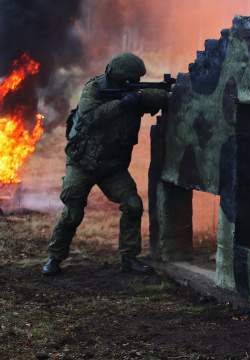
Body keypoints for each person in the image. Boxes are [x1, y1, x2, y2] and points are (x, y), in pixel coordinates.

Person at [42, 52, 168, 275]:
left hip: (112, 168)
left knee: (133, 205)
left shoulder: (133, 94)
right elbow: (90, 117)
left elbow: (158, 96)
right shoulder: (94, 89)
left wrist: (158, 95)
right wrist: (122, 104)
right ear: (119, 78)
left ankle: (129, 258)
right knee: (72, 212)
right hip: (82, 163)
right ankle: (54, 258)